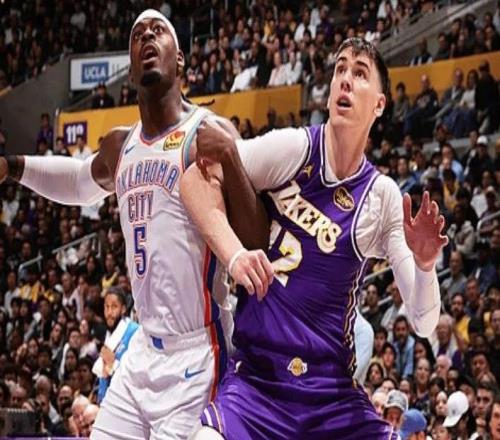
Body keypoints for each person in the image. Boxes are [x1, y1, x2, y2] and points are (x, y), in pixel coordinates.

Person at [0, 9, 271, 439]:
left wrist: (232, 160)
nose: (147, 36)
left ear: (179, 59)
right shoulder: (120, 144)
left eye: (158, 30)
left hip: (198, 350)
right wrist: (13, 167)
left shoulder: (209, 133)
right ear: (129, 69)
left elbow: (257, 240)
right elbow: (77, 181)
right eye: (138, 34)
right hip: (143, 348)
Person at [183, 38, 447, 439]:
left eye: (360, 73)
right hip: (259, 383)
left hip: (330, 396)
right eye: (340, 69)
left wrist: (425, 266)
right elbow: (196, 178)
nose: (345, 79)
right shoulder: (294, 149)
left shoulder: (381, 197)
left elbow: (425, 323)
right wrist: (234, 255)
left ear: (379, 104)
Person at [93, 287, 139, 403]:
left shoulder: (134, 331)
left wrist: (114, 364)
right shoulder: (109, 335)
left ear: (123, 309)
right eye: (106, 307)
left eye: (114, 307)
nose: (109, 312)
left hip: (127, 400)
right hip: (107, 400)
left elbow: (138, 371)